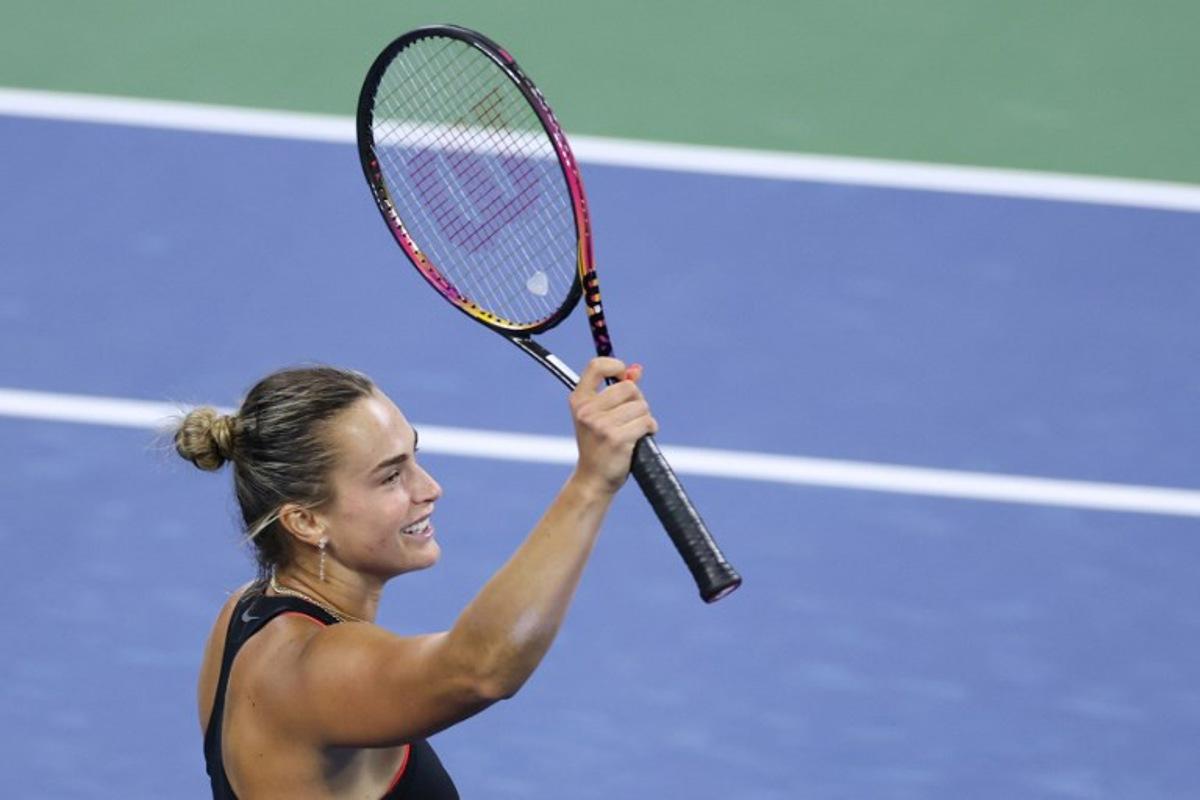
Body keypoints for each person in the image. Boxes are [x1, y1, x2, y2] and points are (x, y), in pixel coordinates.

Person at [179, 357, 655, 799]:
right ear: (306, 522)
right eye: (390, 477)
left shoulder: (243, 613)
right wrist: (592, 483)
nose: (429, 489)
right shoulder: (312, 670)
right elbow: (478, 670)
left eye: (413, 457)